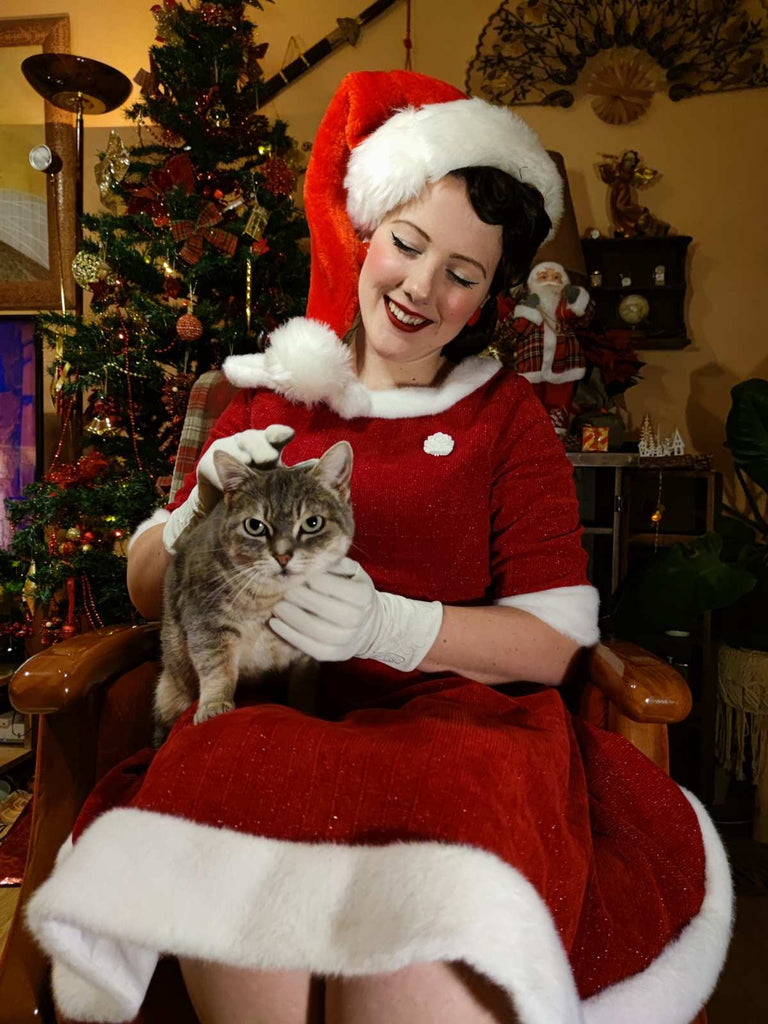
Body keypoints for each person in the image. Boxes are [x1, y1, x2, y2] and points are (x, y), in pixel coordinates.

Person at [27, 71, 731, 1024]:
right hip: (268, 711)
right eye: (407, 245)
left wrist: (394, 627)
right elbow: (154, 595)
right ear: (367, 234)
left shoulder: (503, 417)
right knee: (228, 800)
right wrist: (195, 509)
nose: (421, 288)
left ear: (486, 297)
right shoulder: (265, 401)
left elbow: (555, 638)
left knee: (416, 946)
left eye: (463, 273)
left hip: (456, 728)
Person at [505, 260, 592, 434]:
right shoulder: (525, 304)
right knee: (531, 399)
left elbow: (584, 320)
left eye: (555, 276)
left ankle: (557, 431)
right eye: (543, 276)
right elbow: (514, 331)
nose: (549, 280)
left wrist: (578, 301)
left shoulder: (566, 306)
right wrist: (528, 311)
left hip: (564, 361)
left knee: (560, 399)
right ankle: (531, 430)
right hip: (532, 362)